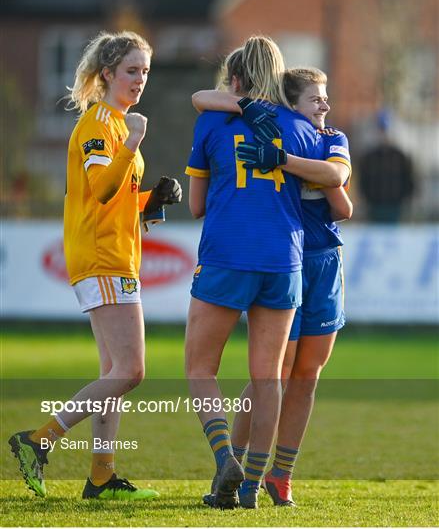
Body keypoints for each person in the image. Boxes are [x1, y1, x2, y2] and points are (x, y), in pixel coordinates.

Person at [8, 31, 182, 500]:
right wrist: (135, 143)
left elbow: (114, 197)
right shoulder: (99, 124)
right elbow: (100, 188)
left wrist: (149, 200)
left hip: (114, 253)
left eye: (145, 71)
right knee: (131, 371)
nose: (140, 80)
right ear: (107, 74)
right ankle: (39, 440)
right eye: (132, 71)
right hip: (103, 257)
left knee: (114, 374)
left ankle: (101, 477)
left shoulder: (118, 125)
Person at [184, 38, 345, 510]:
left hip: (227, 254)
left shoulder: (212, 120)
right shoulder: (302, 128)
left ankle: (223, 461)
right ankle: (254, 486)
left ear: (233, 80)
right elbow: (338, 196)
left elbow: (195, 206)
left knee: (199, 369)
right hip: (285, 260)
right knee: (268, 376)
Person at [358, 109, 415, 223]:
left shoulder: (400, 157)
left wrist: (403, 201)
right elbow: (363, 182)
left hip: (395, 208)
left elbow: (410, 181)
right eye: (381, 130)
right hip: (374, 208)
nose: (384, 134)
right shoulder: (369, 157)